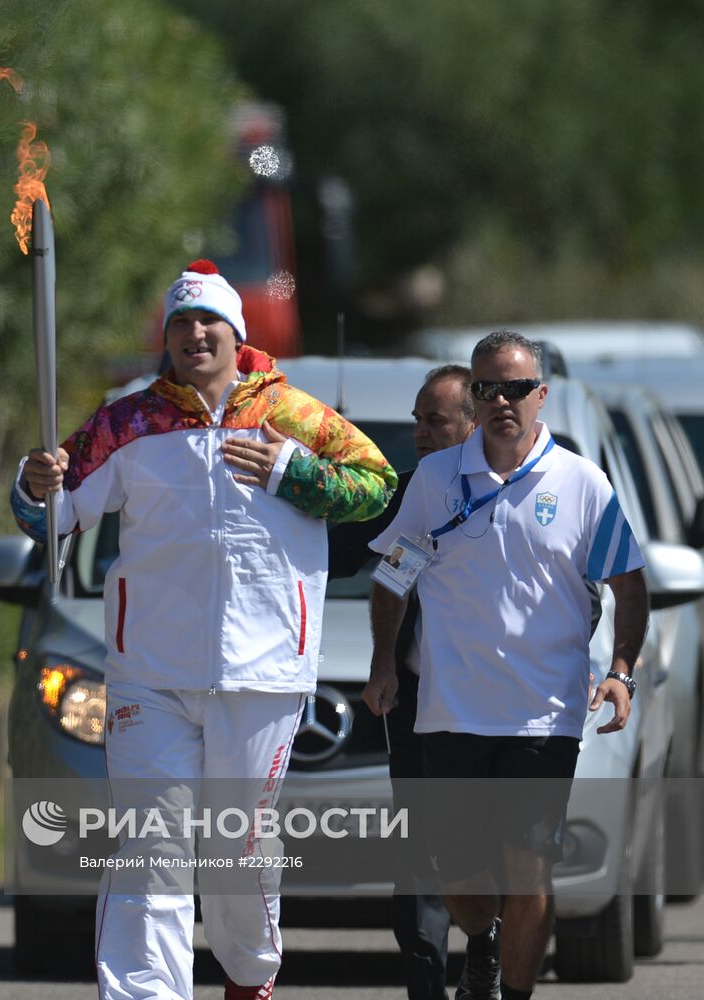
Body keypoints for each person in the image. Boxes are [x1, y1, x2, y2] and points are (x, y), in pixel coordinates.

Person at [13, 260, 396, 1000]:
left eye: (207, 323)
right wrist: (35, 488)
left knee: (238, 850)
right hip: (148, 671)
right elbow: (56, 515)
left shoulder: (295, 416)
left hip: (263, 671)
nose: (194, 335)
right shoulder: (128, 419)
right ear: (167, 337)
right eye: (180, 324)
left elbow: (375, 488)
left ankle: (249, 977)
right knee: (150, 849)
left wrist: (295, 474)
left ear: (235, 333)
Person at [363, 331, 648, 1000]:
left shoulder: (582, 484)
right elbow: (392, 576)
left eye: (516, 387)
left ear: (541, 395)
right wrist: (383, 664)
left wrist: (622, 671)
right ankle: (482, 942)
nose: (502, 400)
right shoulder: (436, 481)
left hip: (543, 715)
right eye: (487, 388)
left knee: (527, 869)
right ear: (474, 396)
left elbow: (629, 585)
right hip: (449, 711)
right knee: (462, 878)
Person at [329, 364, 476, 1000]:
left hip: (498, 708)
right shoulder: (409, 498)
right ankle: (426, 986)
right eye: (416, 419)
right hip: (417, 706)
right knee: (418, 854)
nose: (418, 432)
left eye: (433, 420)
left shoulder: (525, 494)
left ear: (474, 424)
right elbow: (347, 559)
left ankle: (487, 974)